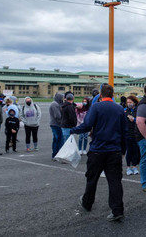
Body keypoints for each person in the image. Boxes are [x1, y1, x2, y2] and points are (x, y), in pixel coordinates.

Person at [71, 84, 127, 222]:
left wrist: (73, 130)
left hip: (98, 150)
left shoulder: (96, 107)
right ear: (113, 95)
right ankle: (117, 210)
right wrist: (123, 149)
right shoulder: (119, 109)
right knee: (115, 181)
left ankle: (87, 202)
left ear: (100, 95)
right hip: (114, 150)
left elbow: (87, 125)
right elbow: (125, 131)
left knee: (92, 179)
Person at [124, 95, 140, 175]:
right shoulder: (126, 110)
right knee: (129, 151)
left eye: (130, 102)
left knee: (135, 151)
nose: (129, 104)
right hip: (127, 134)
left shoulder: (138, 110)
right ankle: (128, 167)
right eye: (127, 102)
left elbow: (140, 120)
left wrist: (134, 119)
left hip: (136, 133)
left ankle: (134, 166)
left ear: (134, 102)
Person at [49, 93, 64, 159]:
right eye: (62, 97)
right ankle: (55, 154)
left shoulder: (59, 104)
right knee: (57, 139)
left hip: (58, 124)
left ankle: (58, 153)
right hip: (55, 124)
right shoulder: (54, 104)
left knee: (59, 139)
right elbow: (57, 116)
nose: (63, 99)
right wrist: (61, 122)